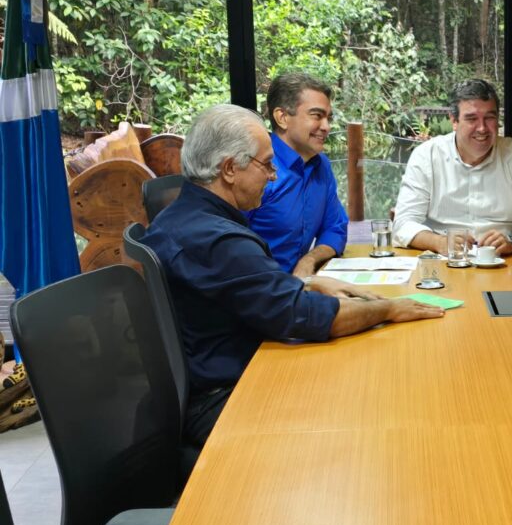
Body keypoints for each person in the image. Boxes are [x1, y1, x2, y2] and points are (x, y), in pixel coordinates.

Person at [142, 104, 445, 446]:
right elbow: (309, 317)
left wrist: (307, 281)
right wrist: (389, 309)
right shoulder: (219, 240)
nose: (272, 177)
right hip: (225, 399)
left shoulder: (183, 217)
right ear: (229, 169)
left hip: (217, 375)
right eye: (266, 166)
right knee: (366, 401)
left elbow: (248, 289)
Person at [392, 79, 512, 256]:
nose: (482, 128)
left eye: (489, 118)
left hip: (505, 261)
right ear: (454, 121)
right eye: (471, 118)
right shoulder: (427, 155)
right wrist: (439, 242)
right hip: (442, 261)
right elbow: (403, 223)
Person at [246, 73, 347, 277]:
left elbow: (335, 229)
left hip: (300, 287)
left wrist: (308, 260)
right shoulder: (254, 167)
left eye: (329, 118)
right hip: (260, 292)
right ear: (282, 117)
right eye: (317, 116)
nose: (327, 127)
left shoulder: (321, 166)